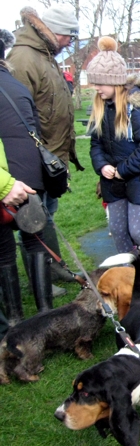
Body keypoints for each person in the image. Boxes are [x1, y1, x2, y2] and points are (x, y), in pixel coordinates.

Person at [8, 5, 83, 289]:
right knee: (33, 221)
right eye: (69, 37)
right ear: (53, 31)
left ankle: (53, 267)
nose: (69, 43)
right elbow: (15, 114)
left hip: (51, 155)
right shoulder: (25, 57)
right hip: (32, 157)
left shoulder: (46, 56)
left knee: (47, 216)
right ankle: (42, 279)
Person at [86, 37, 140, 267]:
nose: (96, 88)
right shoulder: (100, 108)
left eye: (100, 83)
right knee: (118, 231)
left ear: (114, 82)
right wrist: (102, 166)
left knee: (137, 231)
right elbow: (96, 145)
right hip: (112, 181)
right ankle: (131, 273)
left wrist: (122, 170)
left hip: (139, 180)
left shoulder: (137, 110)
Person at [0, 29, 58, 317]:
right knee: (34, 240)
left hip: (5, 174)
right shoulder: (17, 85)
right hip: (29, 172)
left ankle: (14, 319)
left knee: (3, 249)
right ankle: (45, 312)